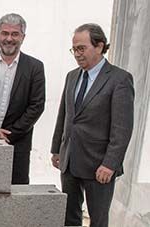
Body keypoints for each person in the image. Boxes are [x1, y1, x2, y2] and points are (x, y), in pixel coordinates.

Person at [51, 23, 134, 227]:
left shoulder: (119, 79)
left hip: (99, 165)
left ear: (99, 46)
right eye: (74, 49)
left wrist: (110, 164)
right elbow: (64, 115)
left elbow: (122, 128)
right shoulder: (72, 76)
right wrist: (56, 150)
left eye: (82, 48)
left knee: (97, 220)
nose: (77, 54)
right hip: (70, 160)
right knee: (69, 217)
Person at [0, 13, 45, 184]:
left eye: (15, 34)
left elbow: (36, 105)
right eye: (4, 33)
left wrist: (10, 134)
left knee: (17, 191)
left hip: (19, 142)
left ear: (23, 37)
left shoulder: (35, 67)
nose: (9, 38)